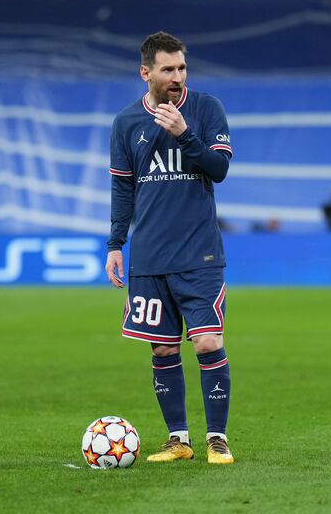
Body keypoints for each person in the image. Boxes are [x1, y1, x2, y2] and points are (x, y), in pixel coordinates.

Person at [104, 31, 234, 464]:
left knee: (207, 342)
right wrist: (116, 244)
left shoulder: (206, 109)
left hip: (200, 254)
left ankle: (217, 438)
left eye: (182, 68)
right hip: (150, 256)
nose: (177, 77)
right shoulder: (126, 123)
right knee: (162, 348)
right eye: (168, 69)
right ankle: (179, 440)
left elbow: (218, 169)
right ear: (146, 73)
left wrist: (184, 135)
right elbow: (123, 190)